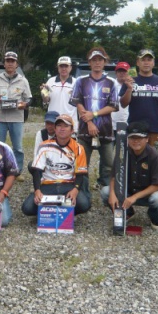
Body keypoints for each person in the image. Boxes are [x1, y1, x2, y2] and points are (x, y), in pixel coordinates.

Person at [70, 46, 119, 200]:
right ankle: (83, 193)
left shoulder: (112, 82)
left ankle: (106, 193)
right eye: (94, 60)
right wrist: (89, 121)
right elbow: (77, 102)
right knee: (82, 163)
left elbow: (113, 105)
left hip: (105, 130)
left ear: (105, 62)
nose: (97, 63)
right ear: (89, 63)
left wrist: (95, 114)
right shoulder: (80, 81)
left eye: (100, 60)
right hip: (85, 130)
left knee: (108, 164)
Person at [21, 114, 90, 216]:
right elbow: (36, 170)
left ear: (72, 130)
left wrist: (75, 190)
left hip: (68, 185)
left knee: (84, 204)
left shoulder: (79, 148)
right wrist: (37, 191)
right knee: (27, 208)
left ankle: (61, 212)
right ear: (55, 128)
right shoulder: (44, 146)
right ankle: (53, 211)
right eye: (59, 126)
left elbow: (80, 173)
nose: (62, 129)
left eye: (66, 126)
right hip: (48, 185)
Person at [107, 121, 158, 229]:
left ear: (147, 139)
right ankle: (128, 212)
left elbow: (157, 185)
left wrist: (134, 197)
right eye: (132, 138)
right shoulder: (121, 153)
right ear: (127, 139)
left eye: (139, 138)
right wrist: (112, 193)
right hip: (127, 192)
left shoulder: (154, 156)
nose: (136, 141)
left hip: (147, 194)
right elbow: (113, 177)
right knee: (105, 192)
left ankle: (153, 214)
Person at [0, 51, 32, 179]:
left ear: (16, 64)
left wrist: (24, 104)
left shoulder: (23, 81)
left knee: (17, 147)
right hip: (0, 117)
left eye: (13, 61)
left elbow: (29, 98)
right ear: (4, 64)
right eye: (8, 61)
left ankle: (17, 171)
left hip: (16, 117)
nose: (10, 63)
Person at [119, 49, 158, 152]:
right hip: (135, 129)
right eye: (143, 60)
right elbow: (123, 104)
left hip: (155, 129)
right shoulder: (130, 80)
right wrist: (129, 89)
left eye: (149, 60)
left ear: (153, 62)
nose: (146, 62)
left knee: (155, 160)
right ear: (138, 62)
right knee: (135, 161)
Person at [41, 56, 78, 131]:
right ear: (58, 67)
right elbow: (46, 100)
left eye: (66, 66)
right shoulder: (51, 81)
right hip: (53, 120)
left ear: (70, 67)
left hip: (70, 121)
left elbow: (79, 103)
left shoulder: (76, 82)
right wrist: (43, 93)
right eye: (61, 66)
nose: (63, 69)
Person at [111, 61, 130, 139]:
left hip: (127, 123)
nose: (122, 73)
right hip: (111, 124)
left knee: (125, 149)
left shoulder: (133, 86)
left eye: (124, 71)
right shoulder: (110, 85)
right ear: (116, 73)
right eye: (120, 71)